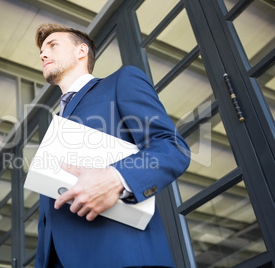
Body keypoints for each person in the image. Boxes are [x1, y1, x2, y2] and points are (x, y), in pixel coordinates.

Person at [34, 23, 190, 268]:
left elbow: (171, 147)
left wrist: (118, 177)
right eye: (42, 51)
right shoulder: (55, 126)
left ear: (81, 51)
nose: (43, 54)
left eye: (52, 45)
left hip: (119, 256)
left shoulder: (121, 82)